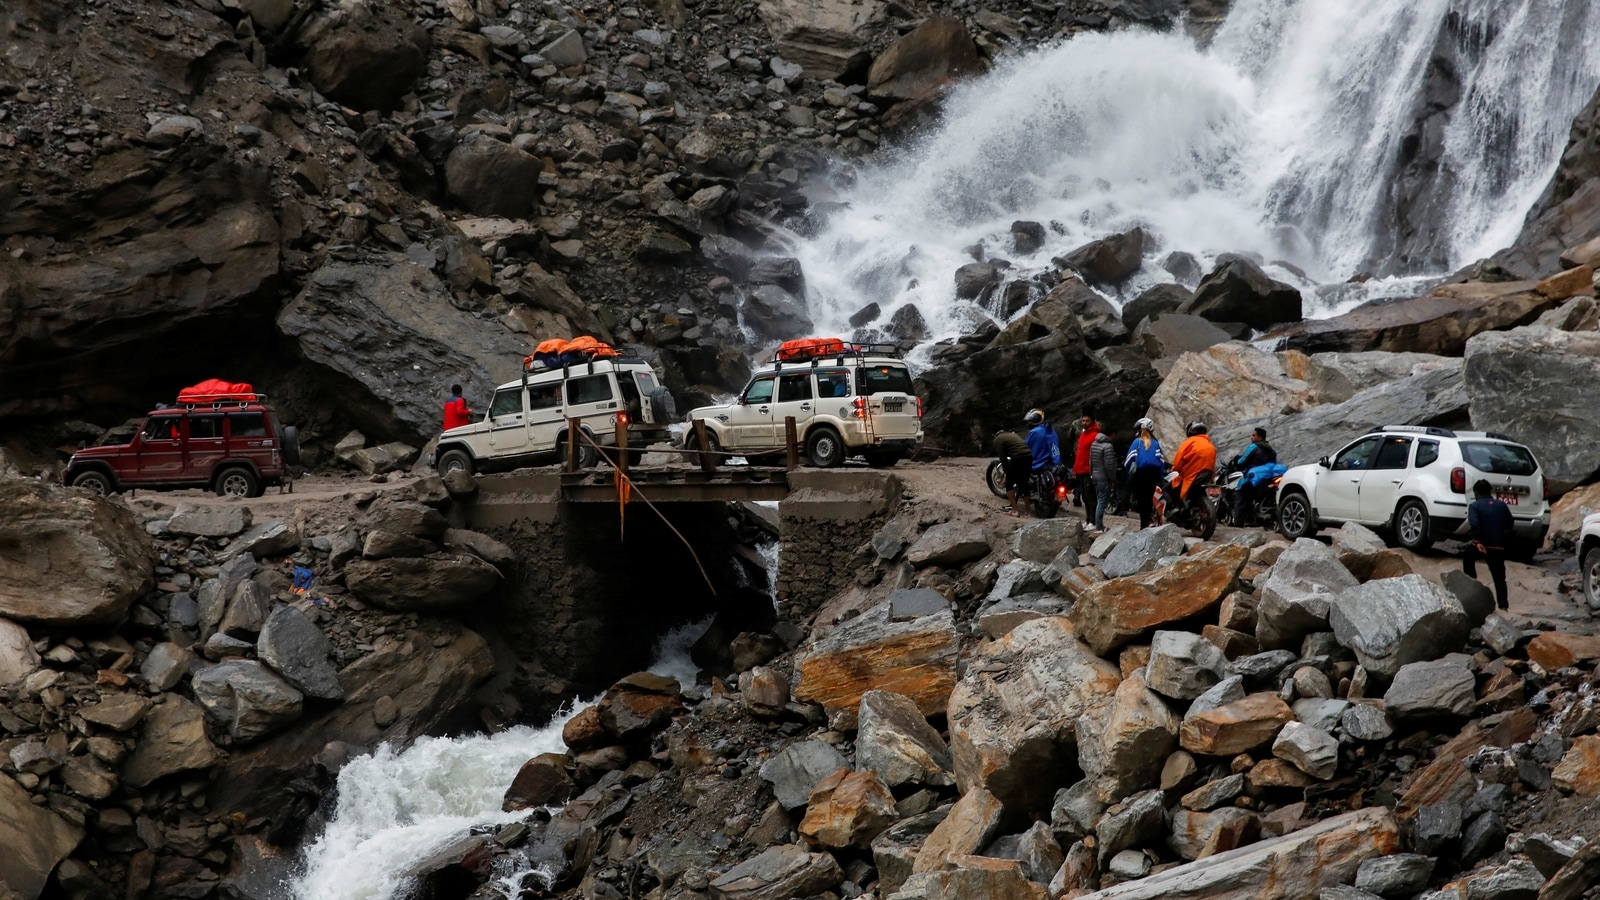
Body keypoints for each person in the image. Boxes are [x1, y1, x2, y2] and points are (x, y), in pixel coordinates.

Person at [1464, 479, 1514, 610]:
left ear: (1476, 493)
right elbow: (1510, 524)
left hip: (1482, 546)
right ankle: (1503, 606)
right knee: (1499, 577)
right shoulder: (1501, 505)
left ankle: (1471, 582)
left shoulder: (1475, 506)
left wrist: (1478, 541)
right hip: (1498, 547)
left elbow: (1475, 524)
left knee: (1468, 556)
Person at [1124, 418, 1166, 528]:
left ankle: (1146, 523)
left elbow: (1129, 460)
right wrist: (1160, 476)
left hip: (1140, 474)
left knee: (1141, 500)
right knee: (1148, 499)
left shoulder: (1137, 442)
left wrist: (1129, 473)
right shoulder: (1155, 443)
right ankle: (1147, 522)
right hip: (1153, 475)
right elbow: (1161, 462)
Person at [1232, 427, 1277, 525]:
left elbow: (1242, 461)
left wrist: (1235, 461)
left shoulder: (1253, 447)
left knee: (1241, 496)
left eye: (1253, 435)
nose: (1251, 437)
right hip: (1267, 479)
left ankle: (1238, 522)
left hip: (1253, 478)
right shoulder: (1271, 450)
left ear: (1260, 437)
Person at [1171, 420, 1218, 505]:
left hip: (1192, 476)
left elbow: (1178, 461)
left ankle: (1176, 507)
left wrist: (1175, 469)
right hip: (1208, 475)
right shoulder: (1210, 445)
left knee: (1169, 488)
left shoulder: (1189, 442)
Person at [994, 425, 1034, 518]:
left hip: (1018, 458)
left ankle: (1015, 511)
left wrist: (1006, 475)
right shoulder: (1011, 434)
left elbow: (1003, 459)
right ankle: (1028, 512)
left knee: (1008, 483)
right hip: (1028, 456)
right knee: (1024, 484)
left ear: (993, 434)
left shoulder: (998, 439)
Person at [1073, 410, 1101, 525]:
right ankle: (1088, 519)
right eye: (1083, 420)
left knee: (1091, 498)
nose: (1084, 423)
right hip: (1081, 470)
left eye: (1087, 421)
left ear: (1092, 421)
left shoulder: (1095, 435)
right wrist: (1075, 469)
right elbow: (1079, 453)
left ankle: (1093, 521)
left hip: (1089, 470)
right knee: (1085, 497)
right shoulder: (1083, 435)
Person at [1088, 424, 1118, 532]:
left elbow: (1090, 461)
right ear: (1112, 434)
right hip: (1103, 478)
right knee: (1102, 502)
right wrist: (1113, 479)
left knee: (1098, 500)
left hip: (1095, 476)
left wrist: (1091, 474)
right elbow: (1109, 465)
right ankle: (1099, 526)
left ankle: (1098, 524)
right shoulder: (1108, 446)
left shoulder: (1094, 444)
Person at [1063, 404, 1094, 506]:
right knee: (1085, 476)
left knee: (1078, 475)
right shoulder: (1095, 424)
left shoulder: (1076, 423)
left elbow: (1069, 437)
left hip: (1078, 452)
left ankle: (1077, 494)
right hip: (1090, 454)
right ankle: (1081, 495)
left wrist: (1075, 446)